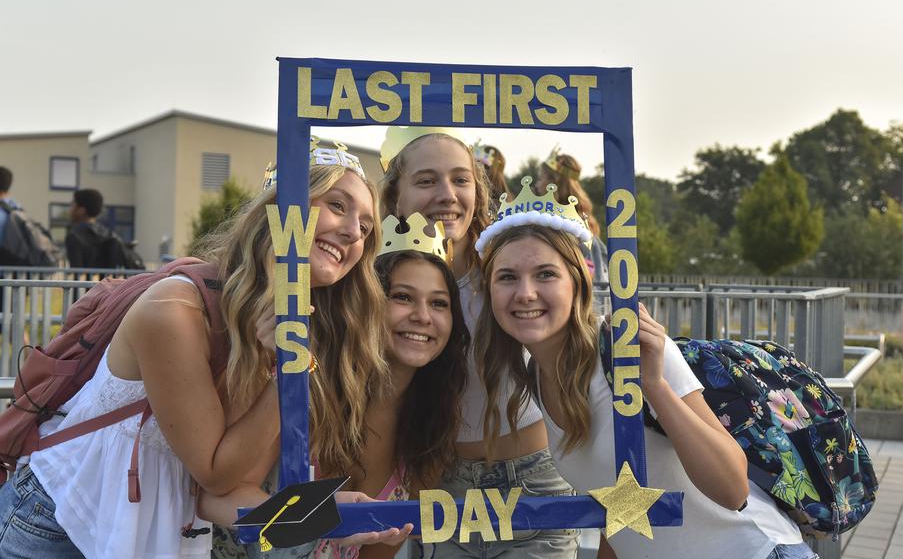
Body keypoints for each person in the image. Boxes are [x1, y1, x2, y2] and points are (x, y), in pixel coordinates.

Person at [0, 158, 392, 559]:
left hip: (153, 535)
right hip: (55, 524)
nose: (351, 232)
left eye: (365, 227)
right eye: (338, 206)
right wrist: (288, 371)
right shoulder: (174, 308)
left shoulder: (294, 328)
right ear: (281, 213)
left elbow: (225, 489)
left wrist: (323, 516)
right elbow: (217, 473)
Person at [474, 199, 819, 559]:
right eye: (507, 277)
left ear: (577, 283)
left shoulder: (628, 350)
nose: (525, 293)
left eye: (545, 274)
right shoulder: (535, 376)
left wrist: (654, 385)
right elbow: (621, 506)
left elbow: (733, 490)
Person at [202, 216, 470, 559]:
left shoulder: (429, 435)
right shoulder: (308, 386)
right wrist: (322, 516)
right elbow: (215, 498)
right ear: (369, 303)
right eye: (402, 297)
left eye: (439, 303)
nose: (423, 316)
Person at [380, 129, 578, 558]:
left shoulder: (509, 270)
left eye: (460, 179)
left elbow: (578, 340)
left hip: (534, 482)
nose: (447, 194)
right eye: (427, 180)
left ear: (478, 190)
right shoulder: (375, 281)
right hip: (438, 484)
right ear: (396, 197)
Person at [536, 149, 608, 286]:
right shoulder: (584, 218)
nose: (537, 184)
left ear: (553, 183)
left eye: (540, 178)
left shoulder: (563, 224)